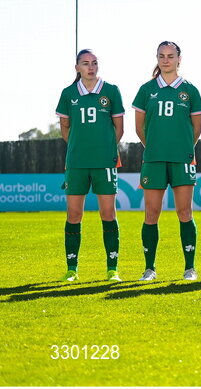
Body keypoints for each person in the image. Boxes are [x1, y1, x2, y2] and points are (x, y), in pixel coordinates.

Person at [131, 41, 201, 281]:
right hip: (154, 160)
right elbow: (139, 128)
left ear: (179, 59)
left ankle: (190, 268)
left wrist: (182, 148)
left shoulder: (190, 90)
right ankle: (149, 268)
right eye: (161, 56)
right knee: (151, 213)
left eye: (171, 56)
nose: (166, 60)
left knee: (184, 212)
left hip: (182, 159)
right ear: (157, 58)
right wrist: (155, 147)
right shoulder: (146, 90)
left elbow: (196, 129)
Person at [55, 49, 125, 282]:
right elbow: (65, 127)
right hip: (76, 163)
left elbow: (119, 128)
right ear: (77, 68)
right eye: (85, 63)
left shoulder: (111, 91)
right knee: (74, 214)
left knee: (108, 213)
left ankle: (112, 269)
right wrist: (79, 147)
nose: (90, 67)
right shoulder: (68, 93)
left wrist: (105, 149)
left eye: (94, 63)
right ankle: (72, 269)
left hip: (104, 162)